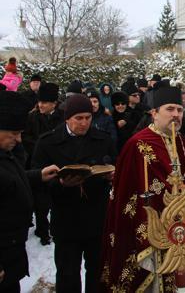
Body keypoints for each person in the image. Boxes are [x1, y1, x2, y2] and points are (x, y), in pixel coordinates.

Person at [99, 86, 185, 292]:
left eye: (179, 109)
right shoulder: (136, 145)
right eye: (170, 109)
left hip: (184, 233)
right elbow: (126, 196)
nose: (176, 114)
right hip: (150, 231)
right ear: (154, 113)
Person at [31, 94, 116, 293]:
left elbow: (114, 161)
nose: (84, 123)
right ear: (67, 118)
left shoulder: (102, 139)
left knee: (97, 271)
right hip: (65, 219)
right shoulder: (47, 142)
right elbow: (38, 180)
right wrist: (61, 183)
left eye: (88, 117)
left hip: (96, 217)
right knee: (67, 273)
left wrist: (111, 174)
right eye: (79, 118)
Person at [0, 91, 59, 292]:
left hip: (12, 249)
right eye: (13, 134)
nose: (18, 140)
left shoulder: (6, 153)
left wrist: (38, 175)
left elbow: (12, 180)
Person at [21, 82, 63, 246]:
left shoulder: (62, 117)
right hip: (37, 163)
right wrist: (39, 146)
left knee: (57, 198)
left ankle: (57, 227)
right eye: (39, 102)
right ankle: (42, 230)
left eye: (45, 102)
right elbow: (25, 137)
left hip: (57, 162)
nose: (41, 105)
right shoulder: (32, 117)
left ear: (54, 103)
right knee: (40, 202)